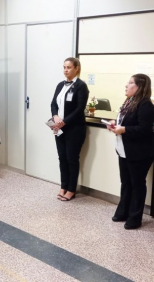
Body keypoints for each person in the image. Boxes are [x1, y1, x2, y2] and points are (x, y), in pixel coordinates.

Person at [107, 74, 154, 230]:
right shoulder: (129, 102)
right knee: (126, 183)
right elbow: (124, 121)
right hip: (124, 151)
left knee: (137, 184)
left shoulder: (146, 105)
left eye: (130, 83)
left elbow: (144, 129)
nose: (126, 86)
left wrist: (124, 129)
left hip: (139, 152)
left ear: (139, 87)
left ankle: (135, 218)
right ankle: (123, 212)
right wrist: (115, 124)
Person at [50, 57, 89, 201]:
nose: (66, 70)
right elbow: (53, 103)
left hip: (74, 129)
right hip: (58, 128)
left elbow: (79, 109)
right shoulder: (60, 85)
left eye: (69, 67)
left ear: (76, 68)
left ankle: (71, 189)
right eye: (64, 67)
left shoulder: (81, 86)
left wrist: (64, 122)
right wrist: (55, 116)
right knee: (62, 158)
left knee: (72, 159)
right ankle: (63, 186)